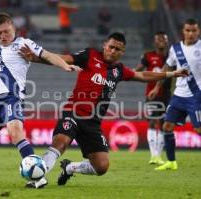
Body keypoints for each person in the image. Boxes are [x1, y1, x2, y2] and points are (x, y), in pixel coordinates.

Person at [19, 32, 188, 188]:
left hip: (93, 123)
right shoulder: (90, 55)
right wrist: (35, 58)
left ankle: (70, 168)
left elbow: (143, 75)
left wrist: (171, 74)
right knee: (60, 142)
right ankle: (36, 179)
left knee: (101, 166)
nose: (113, 51)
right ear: (105, 45)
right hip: (73, 112)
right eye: (111, 46)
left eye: (117, 49)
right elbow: (63, 58)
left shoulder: (119, 70)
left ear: (122, 52)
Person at [0, 12, 79, 188]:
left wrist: (64, 65)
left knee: (15, 132)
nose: (3, 36)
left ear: (13, 28)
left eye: (6, 31)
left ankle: (38, 178)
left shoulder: (24, 43)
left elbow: (48, 55)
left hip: (11, 98)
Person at [149, 18, 201, 171]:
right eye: (188, 30)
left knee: (198, 129)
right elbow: (167, 68)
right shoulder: (175, 48)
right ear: (183, 31)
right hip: (178, 95)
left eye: (194, 30)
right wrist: (157, 88)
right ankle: (171, 162)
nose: (191, 33)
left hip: (196, 95)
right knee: (167, 126)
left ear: (198, 31)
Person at [135, 31, 171, 165]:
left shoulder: (171, 56)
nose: (161, 41)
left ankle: (158, 155)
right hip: (151, 94)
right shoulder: (148, 56)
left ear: (167, 41)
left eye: (163, 38)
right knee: (151, 122)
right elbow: (137, 69)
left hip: (166, 94)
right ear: (154, 42)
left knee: (163, 123)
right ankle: (153, 155)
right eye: (158, 39)